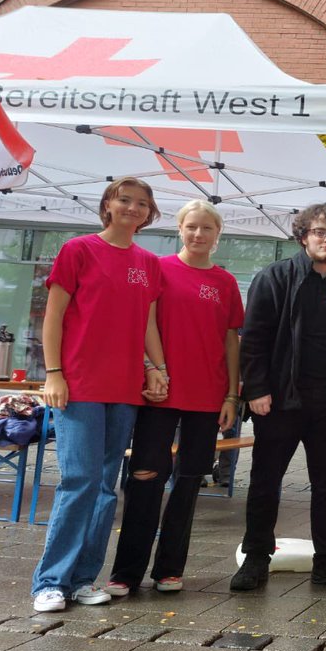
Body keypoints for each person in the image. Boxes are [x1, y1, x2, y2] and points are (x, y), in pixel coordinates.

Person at [32, 177, 167, 613]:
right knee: (79, 481)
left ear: (150, 213)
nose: (132, 208)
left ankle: (84, 579)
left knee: (106, 487)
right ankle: (50, 581)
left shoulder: (149, 262)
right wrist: (54, 373)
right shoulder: (79, 250)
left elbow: (147, 324)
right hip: (79, 384)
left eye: (141, 203)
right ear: (107, 205)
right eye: (124, 200)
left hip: (124, 389)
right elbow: (53, 316)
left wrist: (158, 369)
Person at [106, 201, 244, 596]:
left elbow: (231, 340)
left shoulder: (225, 282)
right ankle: (126, 572)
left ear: (218, 236)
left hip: (207, 396)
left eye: (206, 229)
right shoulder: (157, 269)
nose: (198, 234)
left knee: (188, 482)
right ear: (179, 229)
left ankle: (169, 568)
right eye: (191, 227)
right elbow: (139, 324)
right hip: (158, 392)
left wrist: (232, 395)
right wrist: (150, 369)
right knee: (146, 478)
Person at [230, 203, 326, 591]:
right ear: (304, 235)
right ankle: (256, 558)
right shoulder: (274, 277)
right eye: (320, 232)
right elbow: (253, 339)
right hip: (278, 402)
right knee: (265, 482)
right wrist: (255, 389)